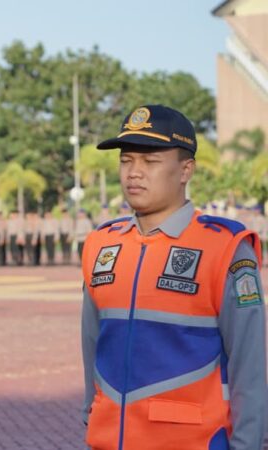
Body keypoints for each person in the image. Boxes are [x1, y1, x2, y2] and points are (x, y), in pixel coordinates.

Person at [81, 105, 266, 449]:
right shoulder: (102, 245)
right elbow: (92, 343)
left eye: (150, 162)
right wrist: (90, 414)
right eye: (126, 161)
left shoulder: (223, 247)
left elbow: (249, 366)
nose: (134, 173)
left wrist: (247, 443)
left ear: (185, 170)